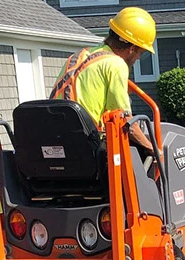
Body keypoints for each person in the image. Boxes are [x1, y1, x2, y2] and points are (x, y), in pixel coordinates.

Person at [50, 7, 156, 156]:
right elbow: (125, 121)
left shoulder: (78, 56)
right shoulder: (115, 64)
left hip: (56, 141)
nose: (138, 58)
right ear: (132, 48)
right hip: (86, 149)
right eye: (141, 53)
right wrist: (153, 149)